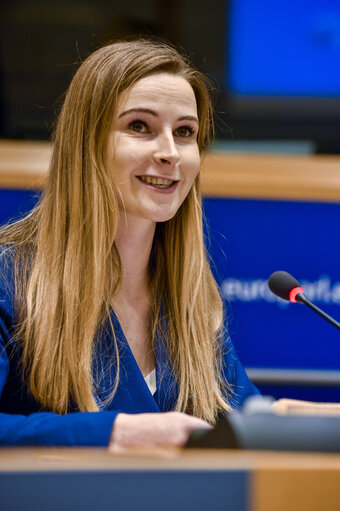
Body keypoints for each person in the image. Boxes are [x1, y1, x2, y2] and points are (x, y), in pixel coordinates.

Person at [0, 39, 259, 448]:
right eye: (140, 127)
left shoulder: (189, 296)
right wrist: (119, 433)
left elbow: (248, 423)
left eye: (185, 132)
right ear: (86, 142)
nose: (170, 153)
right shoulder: (9, 276)